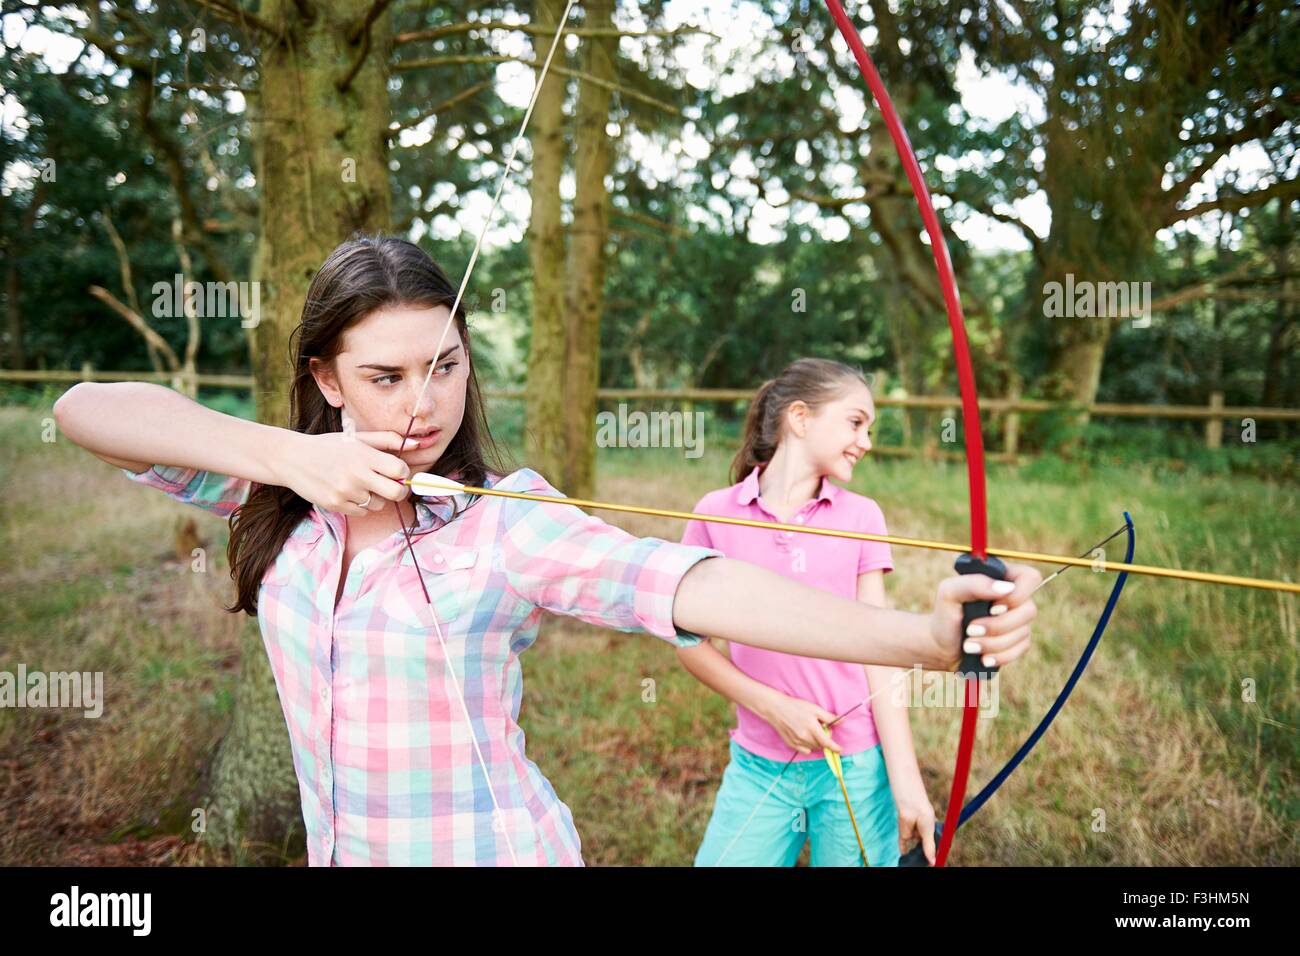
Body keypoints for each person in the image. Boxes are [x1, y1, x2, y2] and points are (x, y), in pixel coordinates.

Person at [53, 235, 1040, 866]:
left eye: (444, 366)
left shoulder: (505, 520)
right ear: (327, 377)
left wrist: (920, 636)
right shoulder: (275, 491)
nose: (421, 404)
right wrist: (283, 454)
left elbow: (684, 582)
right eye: (384, 375)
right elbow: (85, 410)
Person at [681, 359, 937, 867]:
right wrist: (775, 707)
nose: (866, 441)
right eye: (855, 422)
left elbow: (880, 652)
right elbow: (689, 644)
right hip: (758, 766)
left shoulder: (861, 517)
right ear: (800, 418)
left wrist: (907, 783)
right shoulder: (715, 513)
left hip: (855, 768)